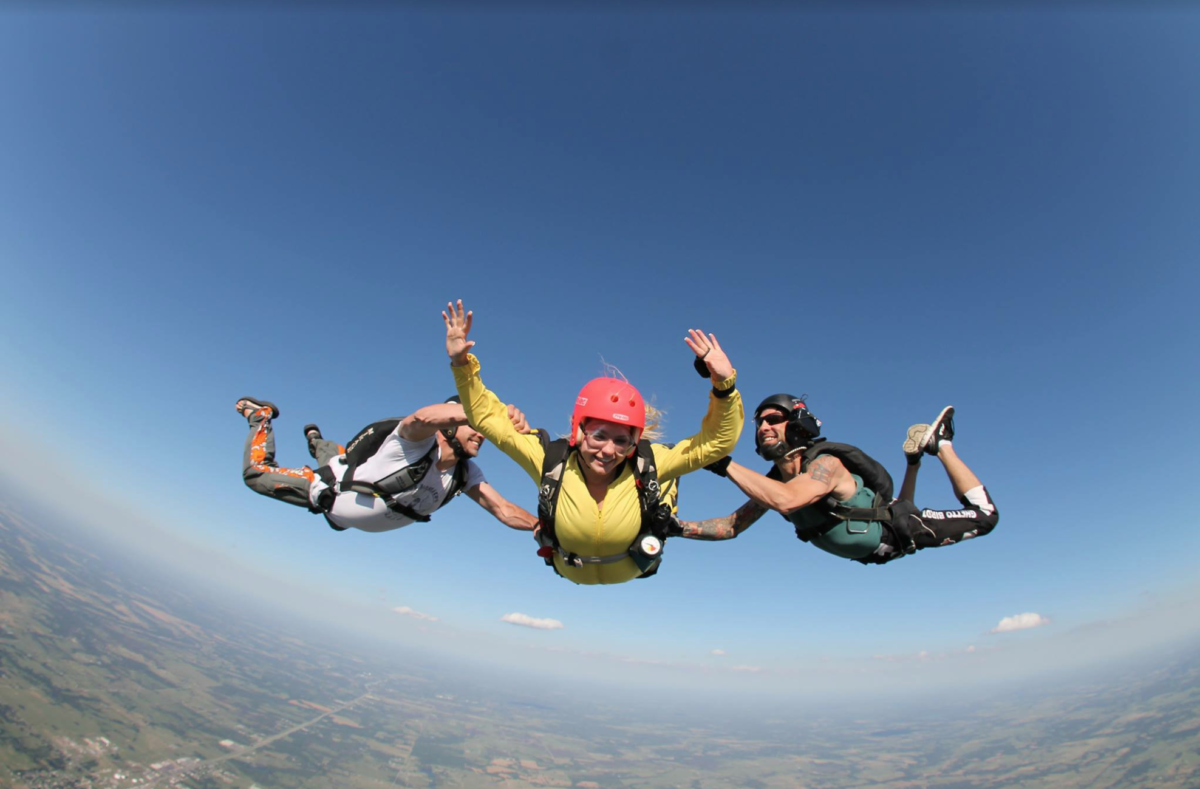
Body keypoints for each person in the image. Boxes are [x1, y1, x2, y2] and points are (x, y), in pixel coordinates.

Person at [442, 300, 744, 584]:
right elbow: (487, 418)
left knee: (666, 469)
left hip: (637, 566)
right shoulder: (548, 459)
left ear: (635, 440)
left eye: (623, 441)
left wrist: (724, 384)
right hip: (566, 566)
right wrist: (461, 363)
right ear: (578, 431)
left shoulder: (647, 462)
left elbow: (717, 442)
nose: (609, 450)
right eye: (599, 436)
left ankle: (666, 503)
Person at [678, 399, 997, 564]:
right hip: (881, 541)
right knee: (900, 509)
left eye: (773, 419)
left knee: (985, 517)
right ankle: (913, 461)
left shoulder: (826, 465)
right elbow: (732, 526)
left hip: (901, 531)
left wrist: (723, 463)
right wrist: (673, 527)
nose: (763, 427)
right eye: (759, 422)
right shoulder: (776, 484)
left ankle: (941, 444)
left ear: (797, 425)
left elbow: (787, 501)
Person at [236, 395, 537, 533]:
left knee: (336, 458)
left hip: (345, 503)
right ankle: (260, 417)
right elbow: (421, 418)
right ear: (450, 424)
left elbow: (504, 510)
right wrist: (485, 412)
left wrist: (544, 529)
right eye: (475, 427)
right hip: (326, 489)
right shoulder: (415, 442)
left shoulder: (464, 472)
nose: (482, 434)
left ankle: (316, 439)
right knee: (256, 475)